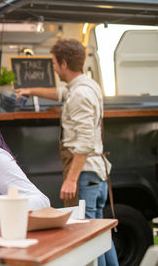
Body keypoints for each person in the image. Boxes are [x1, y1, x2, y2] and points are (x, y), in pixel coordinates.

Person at [16, 39, 119, 266]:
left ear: (63, 63)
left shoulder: (80, 95)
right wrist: (29, 90)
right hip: (96, 175)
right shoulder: (85, 86)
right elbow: (60, 93)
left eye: (54, 62)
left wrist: (71, 180)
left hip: (85, 175)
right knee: (100, 233)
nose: (53, 67)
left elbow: (84, 142)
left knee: (89, 237)